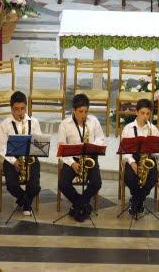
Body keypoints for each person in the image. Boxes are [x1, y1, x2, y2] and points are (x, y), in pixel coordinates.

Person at [58, 93, 104, 222]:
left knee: (97, 183)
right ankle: (83, 204)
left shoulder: (93, 121)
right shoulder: (64, 124)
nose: (83, 115)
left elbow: (100, 138)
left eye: (86, 112)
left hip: (90, 157)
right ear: (73, 110)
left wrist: (93, 146)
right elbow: (61, 147)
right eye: (80, 111)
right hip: (72, 159)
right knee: (63, 184)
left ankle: (78, 205)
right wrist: (72, 163)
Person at [0, 91, 42, 216]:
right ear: (11, 108)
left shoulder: (33, 122)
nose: (20, 112)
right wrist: (14, 161)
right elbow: (2, 148)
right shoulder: (5, 124)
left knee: (35, 186)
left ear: (26, 107)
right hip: (11, 158)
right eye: (16, 109)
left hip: (30, 157)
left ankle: (23, 201)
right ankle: (26, 201)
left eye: (23, 109)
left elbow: (38, 144)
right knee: (11, 185)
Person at [121, 98, 159, 216]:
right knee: (130, 178)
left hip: (148, 159)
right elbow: (124, 150)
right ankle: (139, 201)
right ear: (137, 112)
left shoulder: (153, 129)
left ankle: (136, 201)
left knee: (152, 177)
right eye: (142, 113)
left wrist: (153, 150)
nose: (145, 116)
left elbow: (157, 153)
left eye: (148, 114)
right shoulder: (128, 128)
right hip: (131, 157)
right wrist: (132, 162)